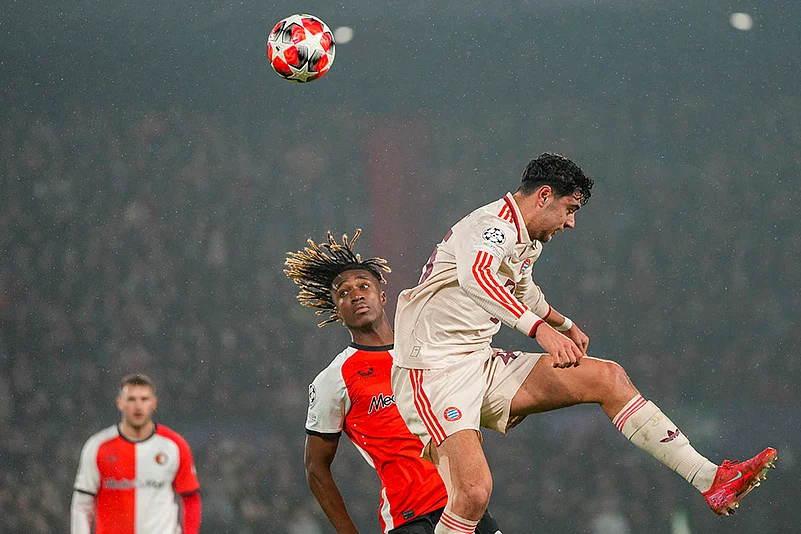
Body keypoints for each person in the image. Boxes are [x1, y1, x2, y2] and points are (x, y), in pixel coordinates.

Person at [390, 152, 777, 534]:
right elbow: (477, 277)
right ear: (544, 196)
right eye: (569, 209)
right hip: (432, 371)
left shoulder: (527, 240)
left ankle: (709, 478)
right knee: (473, 494)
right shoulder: (492, 227)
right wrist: (541, 332)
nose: (571, 222)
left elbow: (523, 292)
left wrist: (564, 323)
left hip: (480, 362)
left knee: (607, 378)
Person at [285, 230, 502, 534]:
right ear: (337, 312)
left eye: (364, 286)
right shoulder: (333, 380)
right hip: (410, 519)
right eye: (343, 293)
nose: (356, 295)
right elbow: (315, 468)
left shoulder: (430, 347)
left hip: (468, 503)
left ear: (382, 296)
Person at [70, 373, 202, 534]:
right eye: (131, 399)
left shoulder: (174, 445)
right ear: (120, 403)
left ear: (154, 403)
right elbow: (82, 504)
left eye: (144, 399)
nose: (138, 406)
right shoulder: (98, 446)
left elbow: (191, 498)